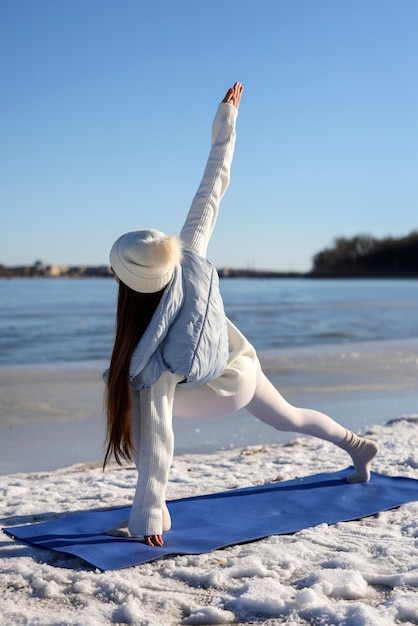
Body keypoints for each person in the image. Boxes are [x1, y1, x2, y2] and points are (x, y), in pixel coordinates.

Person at [103, 82, 379, 547]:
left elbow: (157, 442)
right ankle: (358, 447)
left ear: (129, 284)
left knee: (143, 404)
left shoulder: (148, 358)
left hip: (217, 391)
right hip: (239, 360)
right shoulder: (185, 252)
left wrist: (148, 515)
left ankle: (158, 512)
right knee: (291, 416)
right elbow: (212, 187)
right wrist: (226, 121)